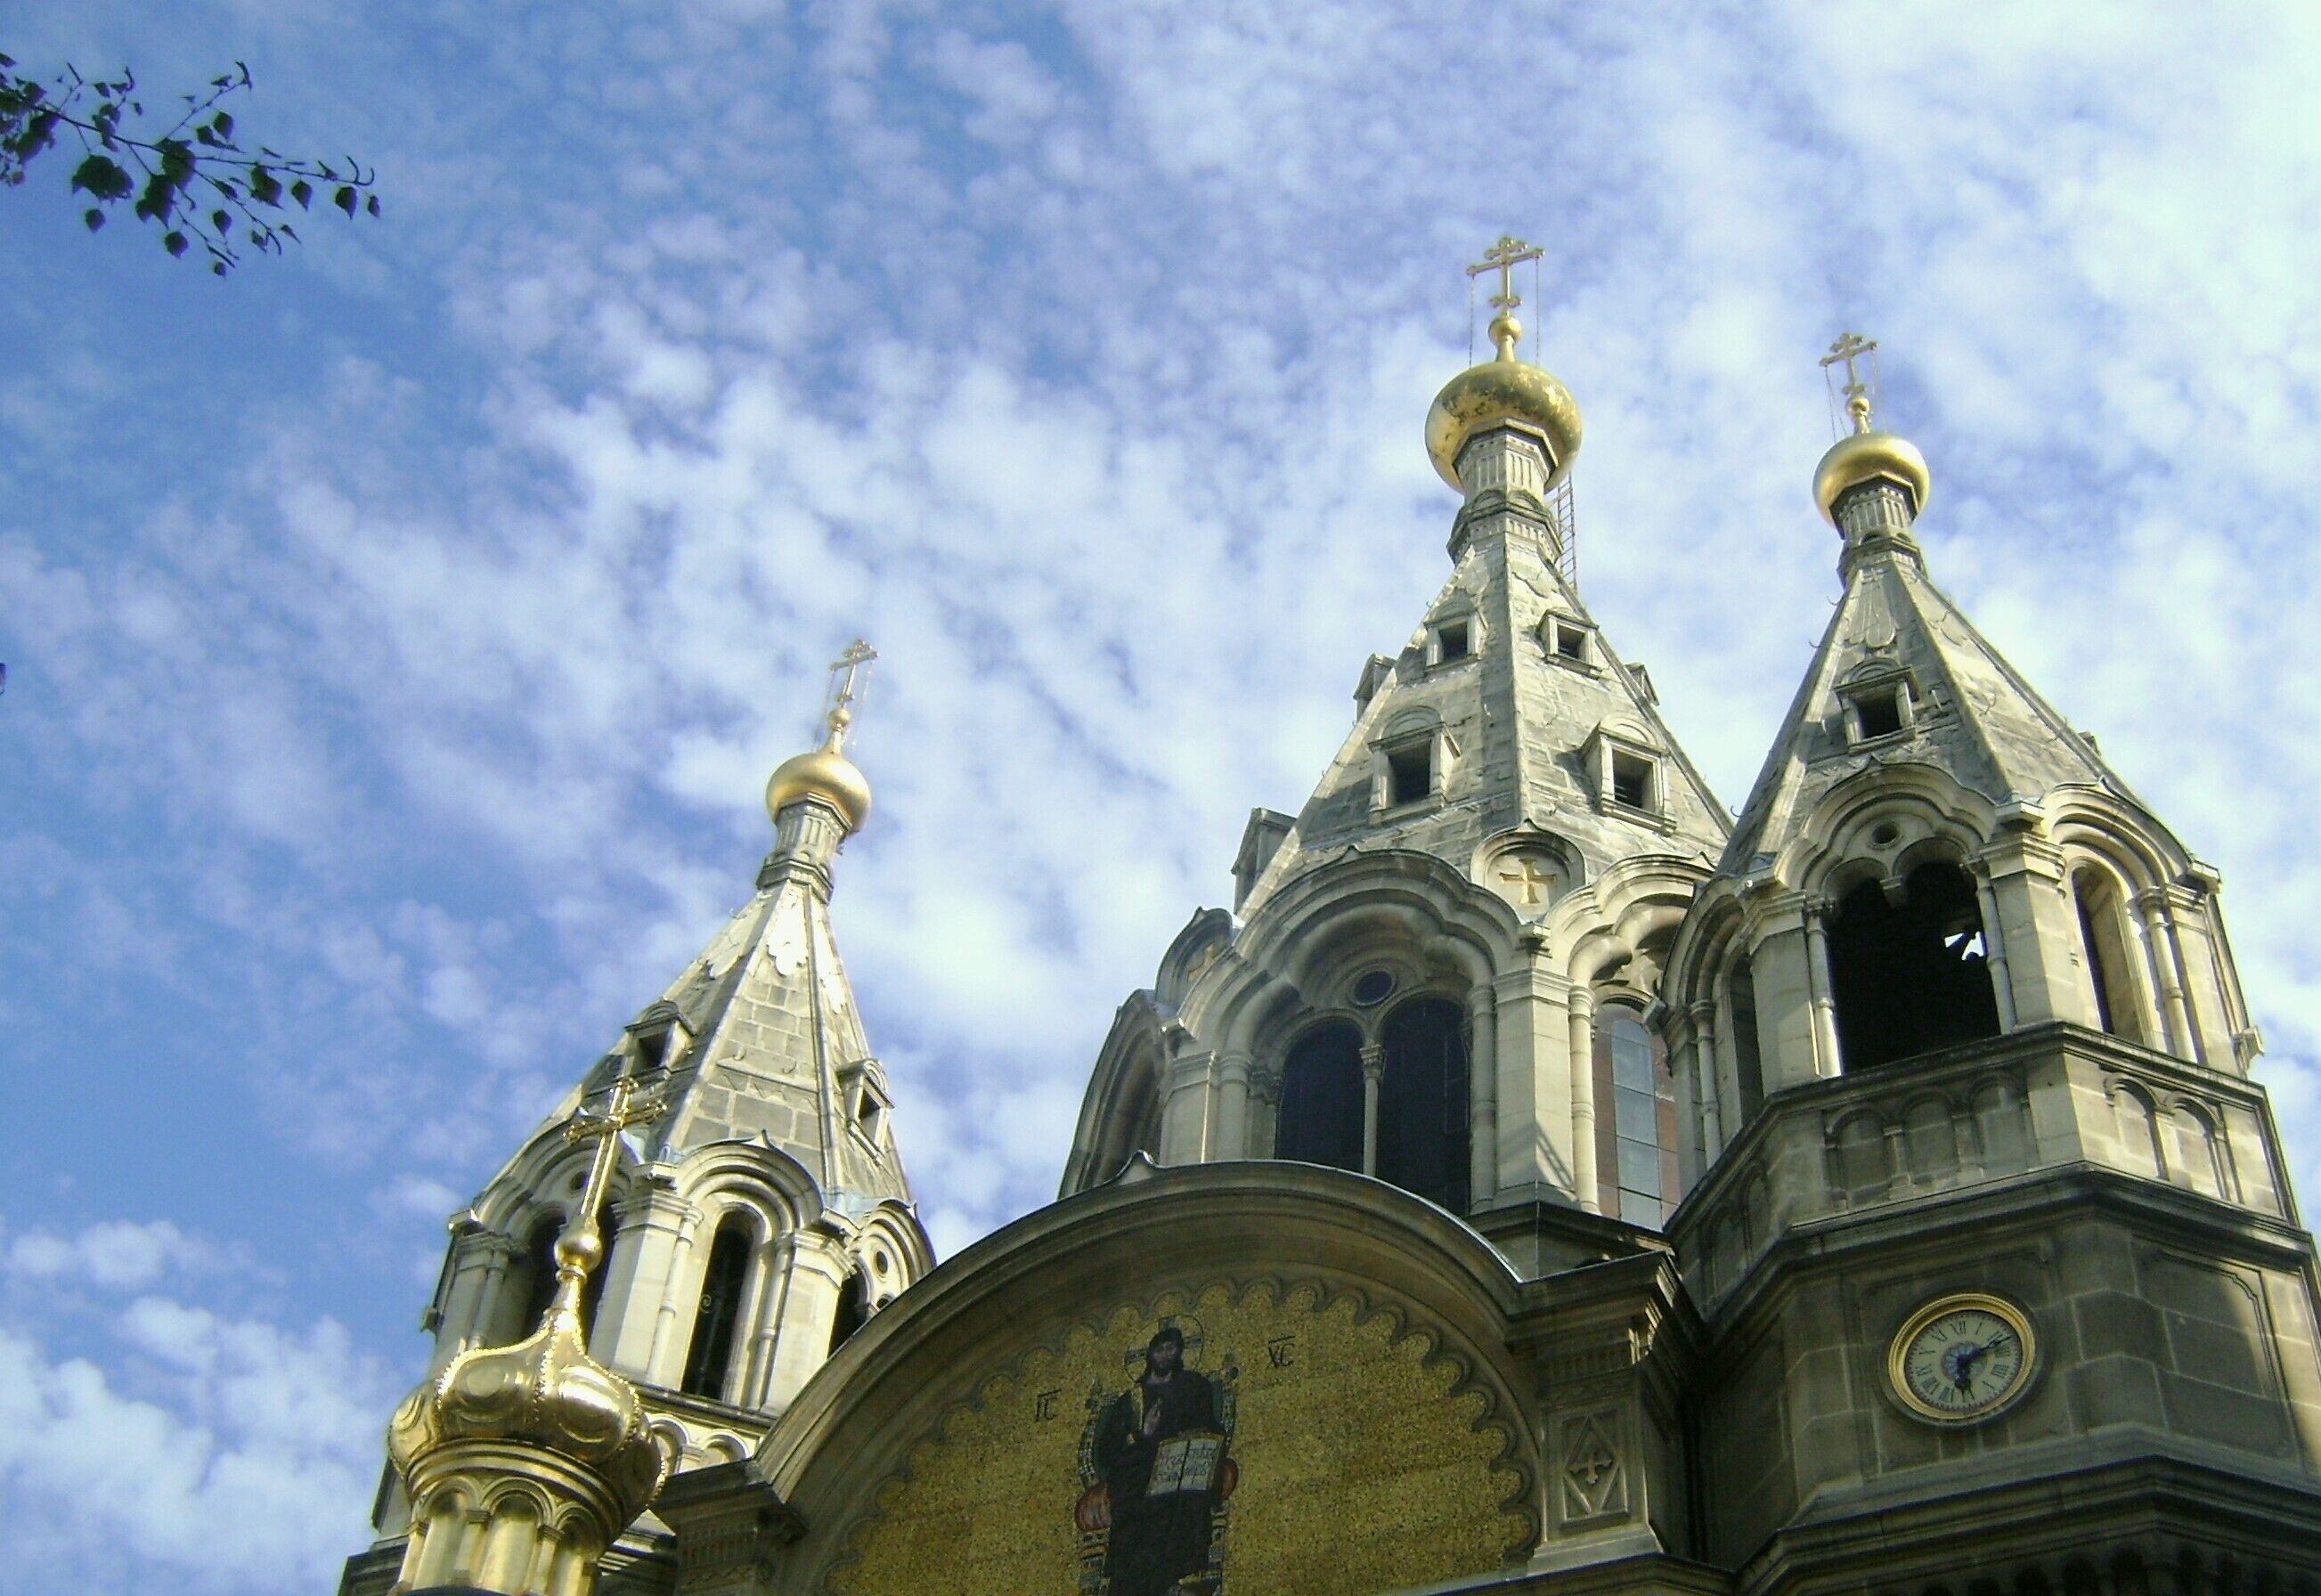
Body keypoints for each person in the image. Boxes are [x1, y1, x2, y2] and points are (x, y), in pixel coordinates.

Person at [1094, 1326, 1224, 1596]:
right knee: (1141, 1514)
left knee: (1184, 1498)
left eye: (1172, 1348)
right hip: (1137, 1477)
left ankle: (1171, 1582)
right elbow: (1107, 1452)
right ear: (1149, 1353)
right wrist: (1142, 1434)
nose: (1167, 1354)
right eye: (1161, 1348)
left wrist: (1197, 1435)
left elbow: (1211, 1426)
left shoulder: (1193, 1386)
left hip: (1180, 1468)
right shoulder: (1131, 1400)